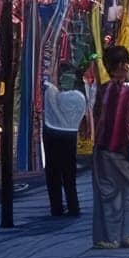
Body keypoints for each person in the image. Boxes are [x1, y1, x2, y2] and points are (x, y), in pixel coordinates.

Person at [90, 45, 129, 249]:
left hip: (105, 148)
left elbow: (96, 116)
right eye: (124, 63)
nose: (126, 66)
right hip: (126, 149)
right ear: (118, 65)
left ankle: (109, 237)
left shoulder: (100, 89)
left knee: (108, 193)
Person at [42, 65, 87, 219]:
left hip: (53, 133)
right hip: (69, 136)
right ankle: (73, 206)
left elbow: (50, 96)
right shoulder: (80, 96)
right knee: (69, 174)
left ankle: (57, 208)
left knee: (53, 173)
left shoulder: (53, 93)